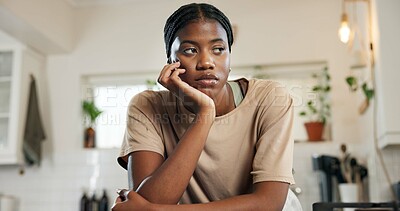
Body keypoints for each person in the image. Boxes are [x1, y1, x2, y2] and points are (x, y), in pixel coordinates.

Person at [112, 3, 300, 210]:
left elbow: (268, 203)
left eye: (218, 49)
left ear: (229, 58)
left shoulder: (270, 98)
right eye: (190, 50)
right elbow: (149, 199)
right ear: (170, 60)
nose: (206, 62)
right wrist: (205, 113)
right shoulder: (147, 106)